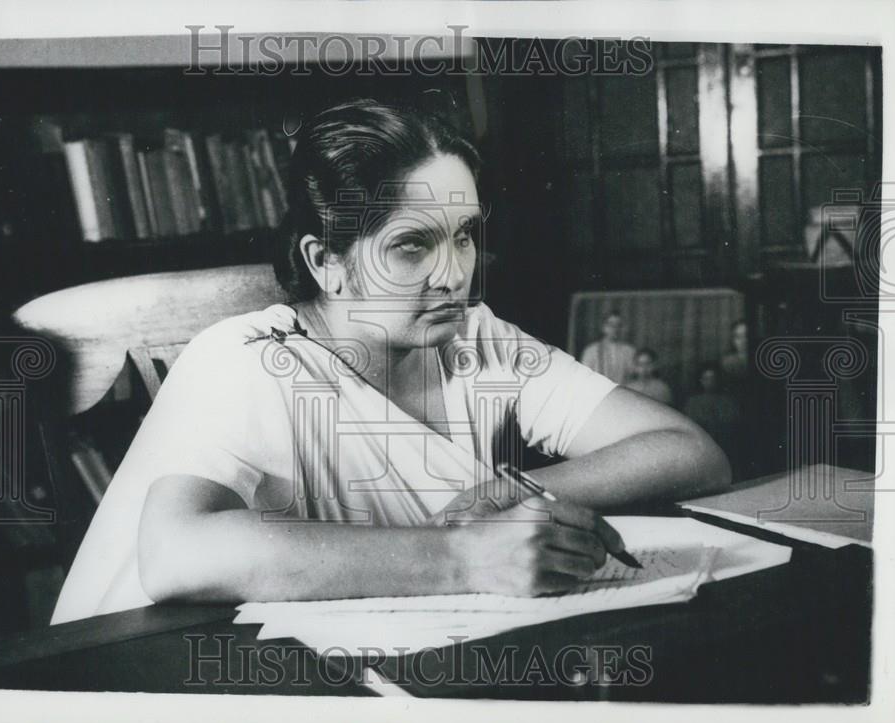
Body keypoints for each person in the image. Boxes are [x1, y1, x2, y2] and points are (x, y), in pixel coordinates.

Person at [51, 99, 731, 625]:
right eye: (412, 245)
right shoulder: (249, 359)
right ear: (327, 261)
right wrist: (464, 557)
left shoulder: (476, 338)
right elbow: (176, 553)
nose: (455, 273)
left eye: (464, 236)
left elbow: (689, 450)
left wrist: (510, 493)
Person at [579, 311, 637, 385]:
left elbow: (634, 377)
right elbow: (584, 376)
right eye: (611, 325)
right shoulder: (591, 350)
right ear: (603, 327)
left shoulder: (630, 351)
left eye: (619, 325)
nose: (615, 329)